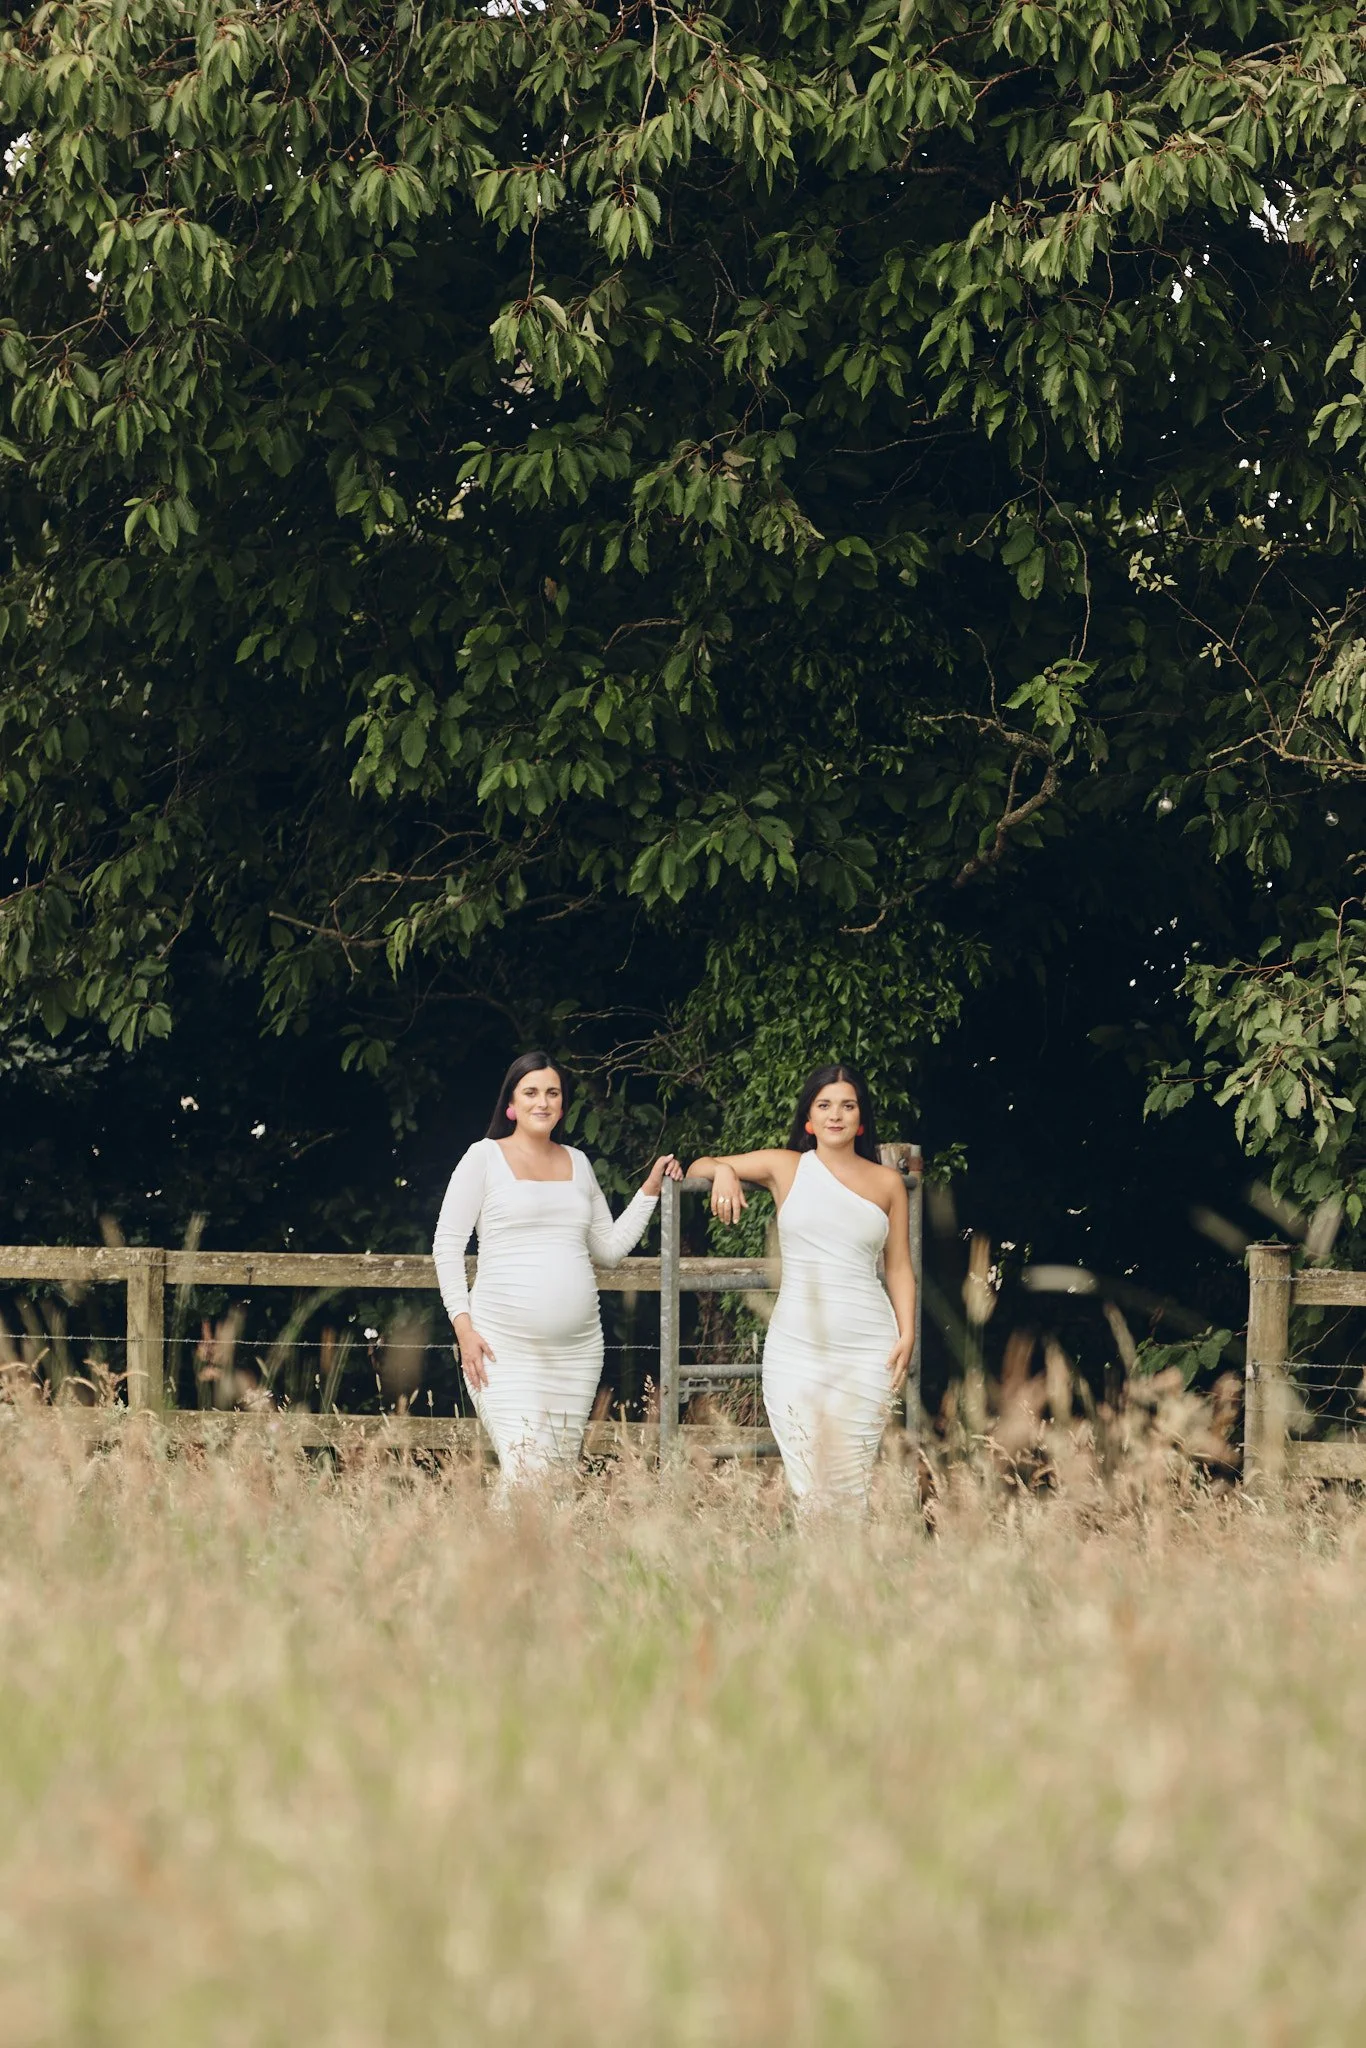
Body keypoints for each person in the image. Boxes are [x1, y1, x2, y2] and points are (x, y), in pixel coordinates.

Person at [433, 1052, 681, 1492]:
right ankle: (493, 1561)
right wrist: (463, 1328)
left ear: (563, 1105)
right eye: (531, 1092)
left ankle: (538, 1560)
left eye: (552, 1093)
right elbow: (447, 1245)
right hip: (502, 1350)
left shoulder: (578, 1163)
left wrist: (650, 1189)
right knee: (527, 1474)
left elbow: (607, 1249)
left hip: (577, 1354)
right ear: (511, 1103)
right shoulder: (483, 1158)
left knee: (555, 1482)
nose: (542, 1102)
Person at [686, 1065, 914, 1513]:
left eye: (847, 1105)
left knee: (850, 1484)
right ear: (809, 1119)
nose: (836, 1115)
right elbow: (698, 1166)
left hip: (867, 1348)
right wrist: (725, 1172)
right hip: (796, 1350)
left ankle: (850, 1576)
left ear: (861, 1119)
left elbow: (900, 1266)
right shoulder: (785, 1167)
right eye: (824, 1105)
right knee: (810, 1484)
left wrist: (907, 1333)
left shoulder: (888, 1184)